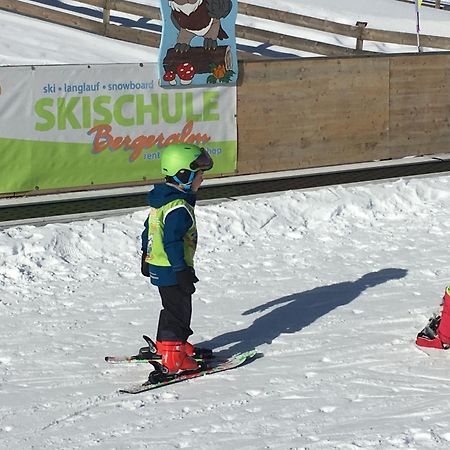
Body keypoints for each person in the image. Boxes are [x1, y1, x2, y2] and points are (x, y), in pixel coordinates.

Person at [140, 143, 213, 374]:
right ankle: (173, 356)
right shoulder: (178, 207)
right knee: (179, 310)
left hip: (159, 265)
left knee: (171, 306)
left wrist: (146, 255)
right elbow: (172, 241)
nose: (202, 178)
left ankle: (169, 344)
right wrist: (181, 270)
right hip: (172, 268)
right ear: (184, 175)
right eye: (200, 174)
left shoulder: (162, 201)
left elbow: (149, 228)